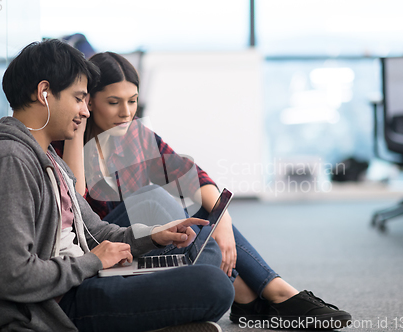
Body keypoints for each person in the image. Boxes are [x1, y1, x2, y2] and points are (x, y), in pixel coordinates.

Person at [57, 51, 353, 330]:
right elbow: (78, 211)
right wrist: (79, 128)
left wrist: (223, 223)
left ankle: (272, 291)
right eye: (113, 102)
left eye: (132, 101)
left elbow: (191, 176)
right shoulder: (64, 142)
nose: (126, 112)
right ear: (89, 102)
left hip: (149, 243)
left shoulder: (135, 135)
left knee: (197, 204)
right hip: (105, 245)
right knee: (152, 197)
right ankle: (256, 296)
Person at [0, 39, 235, 332]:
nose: (86, 111)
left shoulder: (48, 157)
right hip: (53, 307)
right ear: (44, 93)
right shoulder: (7, 161)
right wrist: (92, 262)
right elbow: (11, 277)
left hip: (82, 278)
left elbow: (95, 231)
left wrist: (155, 236)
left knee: (203, 257)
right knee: (213, 284)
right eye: (79, 98)